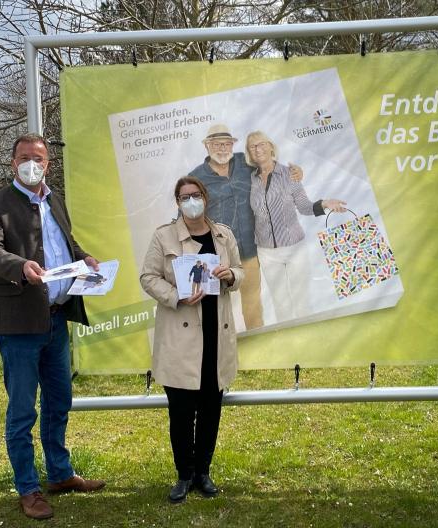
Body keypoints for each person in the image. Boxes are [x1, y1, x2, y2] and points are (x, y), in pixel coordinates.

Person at [0, 133, 105, 520]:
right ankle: (28, 488)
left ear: (48, 163)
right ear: (13, 162)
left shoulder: (55, 199)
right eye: (25, 157)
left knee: (59, 402)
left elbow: (66, 244)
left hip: (56, 319)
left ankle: (61, 475)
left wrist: (85, 259)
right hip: (18, 326)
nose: (32, 163)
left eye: (39, 158)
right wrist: (20, 267)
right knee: (21, 412)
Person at [140, 176, 244, 503]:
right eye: (185, 197)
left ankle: (203, 472)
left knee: (211, 411)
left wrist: (230, 276)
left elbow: (239, 271)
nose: (191, 201)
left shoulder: (223, 234)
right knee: (182, 414)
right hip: (181, 339)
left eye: (196, 195)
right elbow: (148, 277)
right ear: (178, 202)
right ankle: (184, 475)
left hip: (216, 333)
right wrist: (175, 296)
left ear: (205, 197)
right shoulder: (164, 236)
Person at [189, 124, 303, 331]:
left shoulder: (245, 163)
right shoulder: (196, 178)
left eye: (227, 144)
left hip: (250, 251)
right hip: (219, 256)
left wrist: (294, 171)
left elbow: (269, 168)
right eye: (216, 144)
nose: (223, 149)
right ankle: (222, 348)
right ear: (207, 147)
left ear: (233, 145)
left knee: (252, 304)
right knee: (217, 307)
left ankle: (258, 342)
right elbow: (186, 214)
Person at [245, 130, 347, 322]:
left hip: (294, 248)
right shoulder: (251, 178)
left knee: (302, 303)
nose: (258, 149)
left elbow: (305, 207)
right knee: (280, 304)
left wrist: (325, 203)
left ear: (271, 146)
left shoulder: (289, 174)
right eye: (252, 146)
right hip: (266, 253)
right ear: (249, 153)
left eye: (261, 144)